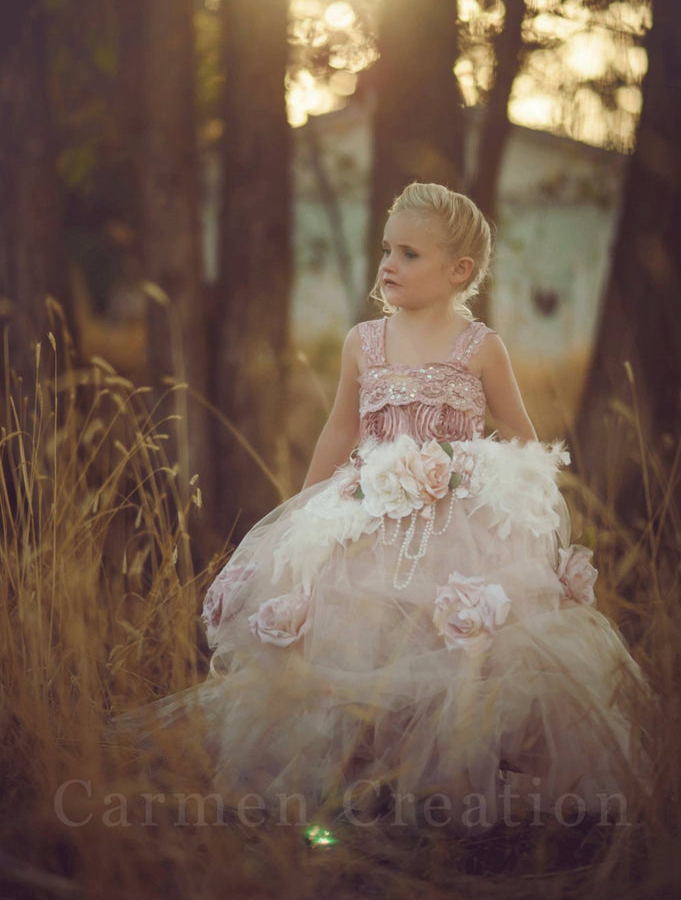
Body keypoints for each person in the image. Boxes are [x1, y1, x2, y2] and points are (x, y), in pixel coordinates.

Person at [114, 182, 656, 835]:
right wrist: (306, 511)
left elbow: (521, 438)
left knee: (452, 640)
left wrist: (498, 491)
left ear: (458, 271)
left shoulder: (478, 346)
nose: (388, 264)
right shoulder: (363, 343)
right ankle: (355, 779)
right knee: (360, 638)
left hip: (457, 520)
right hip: (371, 513)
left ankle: (448, 779)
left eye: (409, 253)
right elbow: (340, 431)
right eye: (386, 250)